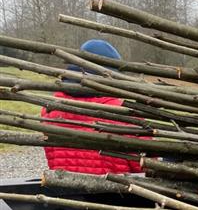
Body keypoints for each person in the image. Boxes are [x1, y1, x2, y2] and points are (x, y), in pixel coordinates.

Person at [42, 39, 142, 174]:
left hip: (64, 192)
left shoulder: (50, 109)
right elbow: (142, 166)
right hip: (117, 192)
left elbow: (53, 157)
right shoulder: (123, 112)